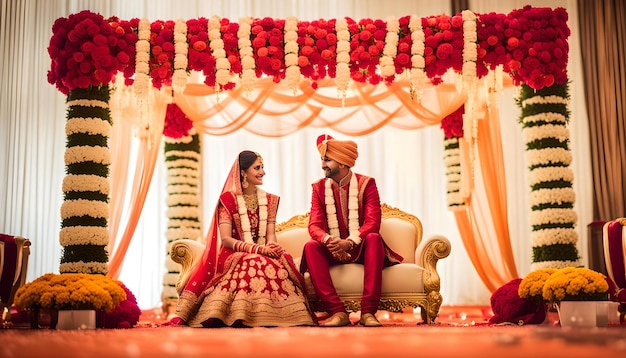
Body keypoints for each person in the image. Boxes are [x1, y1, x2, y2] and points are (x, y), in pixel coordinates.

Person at [168, 150, 317, 327]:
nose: (263, 172)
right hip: (234, 253)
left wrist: (272, 246)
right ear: (243, 172)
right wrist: (257, 249)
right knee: (255, 261)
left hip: (263, 250)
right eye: (257, 168)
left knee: (278, 260)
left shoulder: (269, 200)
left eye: (262, 167)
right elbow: (226, 240)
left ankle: (277, 315)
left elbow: (270, 234)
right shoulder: (228, 200)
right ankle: (241, 314)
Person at [300, 134, 403, 327]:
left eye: (327, 159)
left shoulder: (367, 184)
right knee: (311, 246)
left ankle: (368, 313)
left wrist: (349, 242)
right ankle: (338, 312)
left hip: (360, 247)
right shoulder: (318, 188)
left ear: (343, 163)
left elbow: (373, 221)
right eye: (322, 159)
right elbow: (314, 225)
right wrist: (328, 240)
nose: (322, 164)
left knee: (373, 237)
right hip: (332, 249)